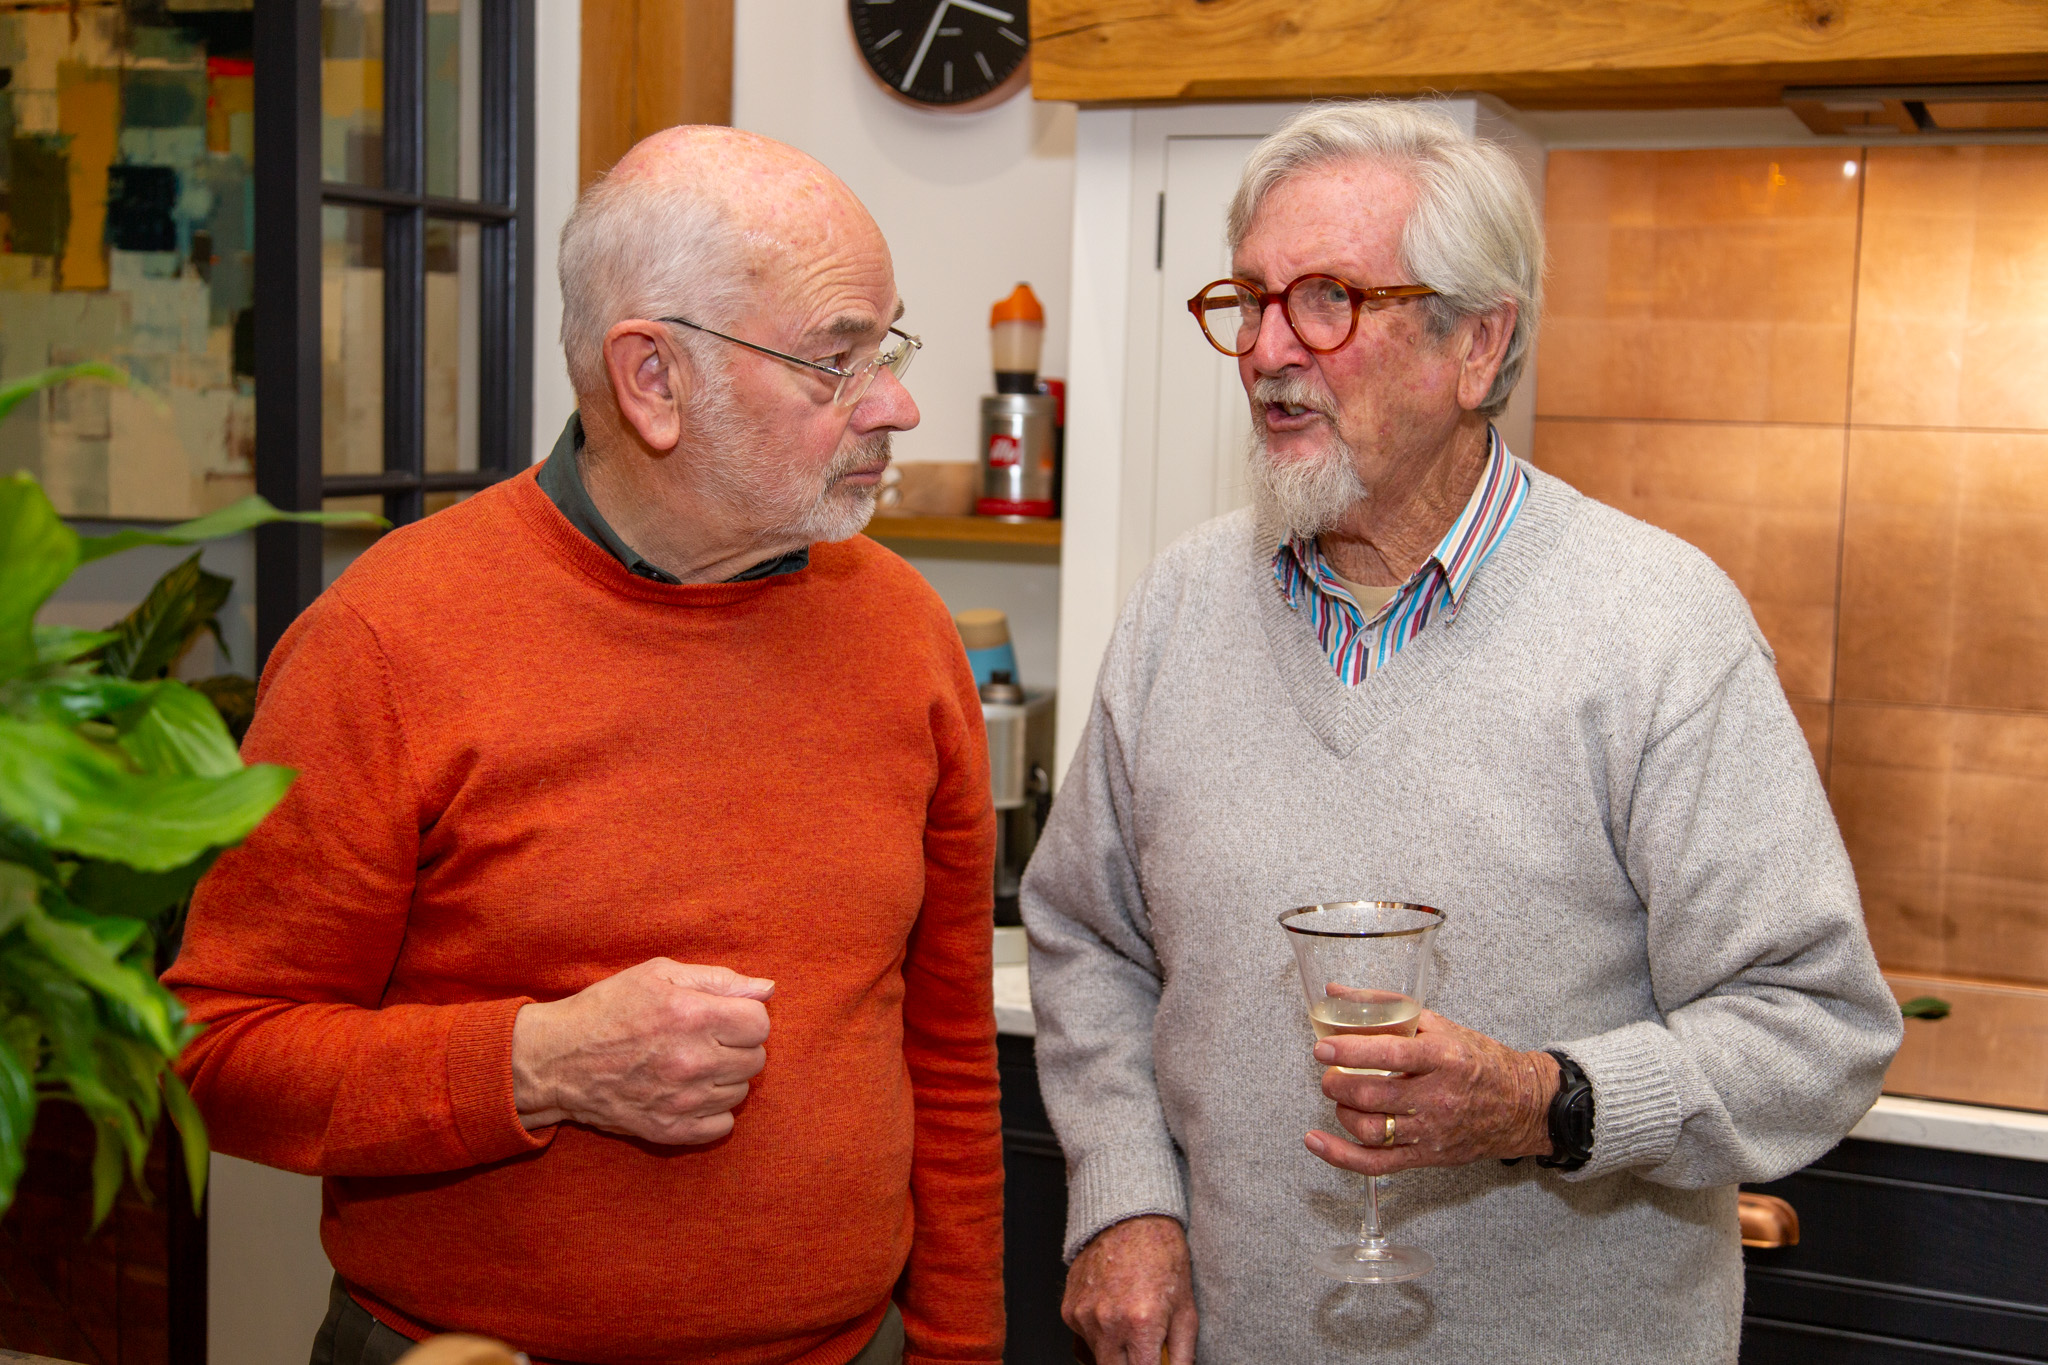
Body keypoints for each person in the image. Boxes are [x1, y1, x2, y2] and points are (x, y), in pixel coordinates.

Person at [1023, 100, 1901, 1363]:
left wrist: (1544, 1102)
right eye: (1249, 301)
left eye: (1325, 299)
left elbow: (1816, 1024)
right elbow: (1086, 942)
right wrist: (1123, 1203)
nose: (1268, 349)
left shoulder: (1657, 625)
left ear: (1475, 343)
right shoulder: (1177, 607)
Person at [166, 127, 1004, 1365]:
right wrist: (535, 1064)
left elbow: (946, 1050)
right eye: (836, 361)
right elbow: (217, 1053)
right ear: (652, 379)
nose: (895, 404)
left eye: (885, 346)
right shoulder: (387, 643)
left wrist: (959, 1350)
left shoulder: (904, 631)